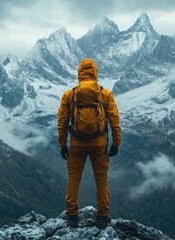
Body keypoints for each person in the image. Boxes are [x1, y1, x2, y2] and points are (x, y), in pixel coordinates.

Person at [57, 58, 121, 229]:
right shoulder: (105, 94)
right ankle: (103, 216)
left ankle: (72, 216)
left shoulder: (70, 95)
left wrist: (63, 145)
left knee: (74, 179)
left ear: (79, 73)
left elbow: (62, 122)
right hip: (99, 144)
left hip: (77, 144)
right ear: (95, 72)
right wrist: (116, 143)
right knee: (101, 180)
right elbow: (114, 120)